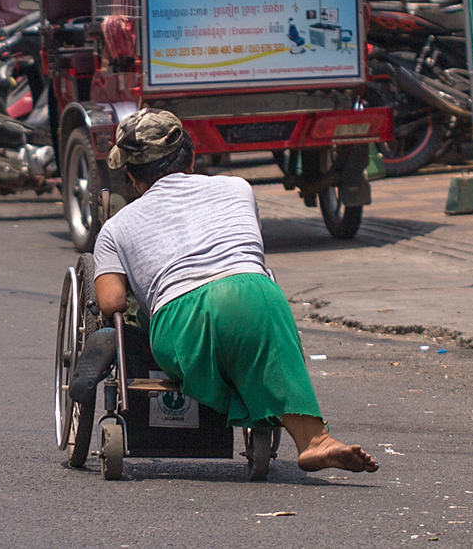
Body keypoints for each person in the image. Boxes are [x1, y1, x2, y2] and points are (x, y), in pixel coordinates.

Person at [85, 109, 379, 475]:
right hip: (252, 292)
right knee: (259, 345)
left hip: (181, 313)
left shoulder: (116, 227)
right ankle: (314, 440)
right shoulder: (237, 188)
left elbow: (111, 302)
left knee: (212, 348)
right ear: (190, 157)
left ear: (130, 174)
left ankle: (266, 418)